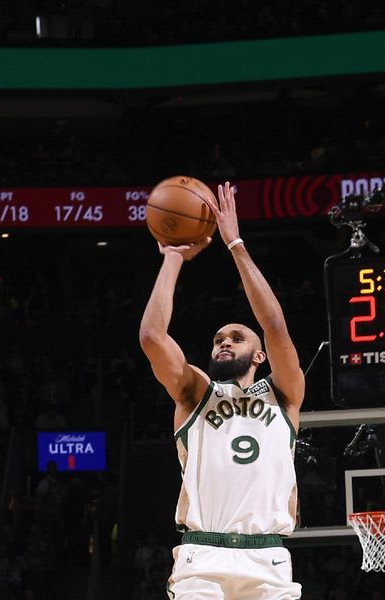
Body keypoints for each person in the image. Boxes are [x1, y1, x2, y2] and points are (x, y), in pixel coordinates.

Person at [140, 181, 304, 599]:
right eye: (218, 339)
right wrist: (174, 258)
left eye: (236, 337)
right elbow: (152, 337)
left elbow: (275, 326)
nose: (224, 342)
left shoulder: (284, 395)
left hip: (268, 557)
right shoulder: (195, 393)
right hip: (203, 556)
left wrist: (235, 245)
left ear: (259, 356)